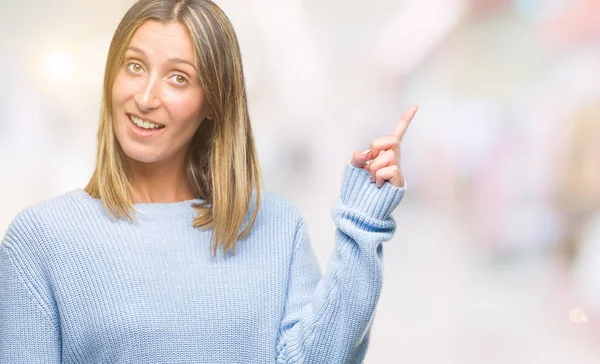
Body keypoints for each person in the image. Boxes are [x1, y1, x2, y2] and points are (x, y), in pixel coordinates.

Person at [0, 0, 418, 363]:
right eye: (135, 66)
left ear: (214, 102)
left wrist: (363, 224)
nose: (146, 97)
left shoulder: (275, 227)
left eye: (178, 77)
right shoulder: (40, 241)